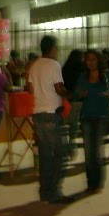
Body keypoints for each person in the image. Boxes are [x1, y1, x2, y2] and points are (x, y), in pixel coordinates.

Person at [27, 35, 72, 204]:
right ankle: (54, 193)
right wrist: (71, 94)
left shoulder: (34, 65)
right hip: (52, 113)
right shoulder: (53, 65)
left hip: (38, 113)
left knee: (45, 155)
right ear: (52, 47)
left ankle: (44, 192)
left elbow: (30, 89)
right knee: (60, 154)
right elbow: (59, 88)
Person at [75, 49, 109, 193]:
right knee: (89, 152)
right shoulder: (83, 76)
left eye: (93, 59)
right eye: (88, 59)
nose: (90, 62)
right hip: (86, 116)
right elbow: (76, 94)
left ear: (98, 60)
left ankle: (98, 182)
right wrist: (81, 94)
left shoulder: (107, 74)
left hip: (102, 116)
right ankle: (91, 183)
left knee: (96, 151)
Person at [62, 49, 85, 159]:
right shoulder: (82, 69)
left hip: (67, 98)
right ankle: (73, 146)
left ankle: (68, 148)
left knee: (67, 123)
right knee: (75, 124)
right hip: (79, 99)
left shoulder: (65, 69)